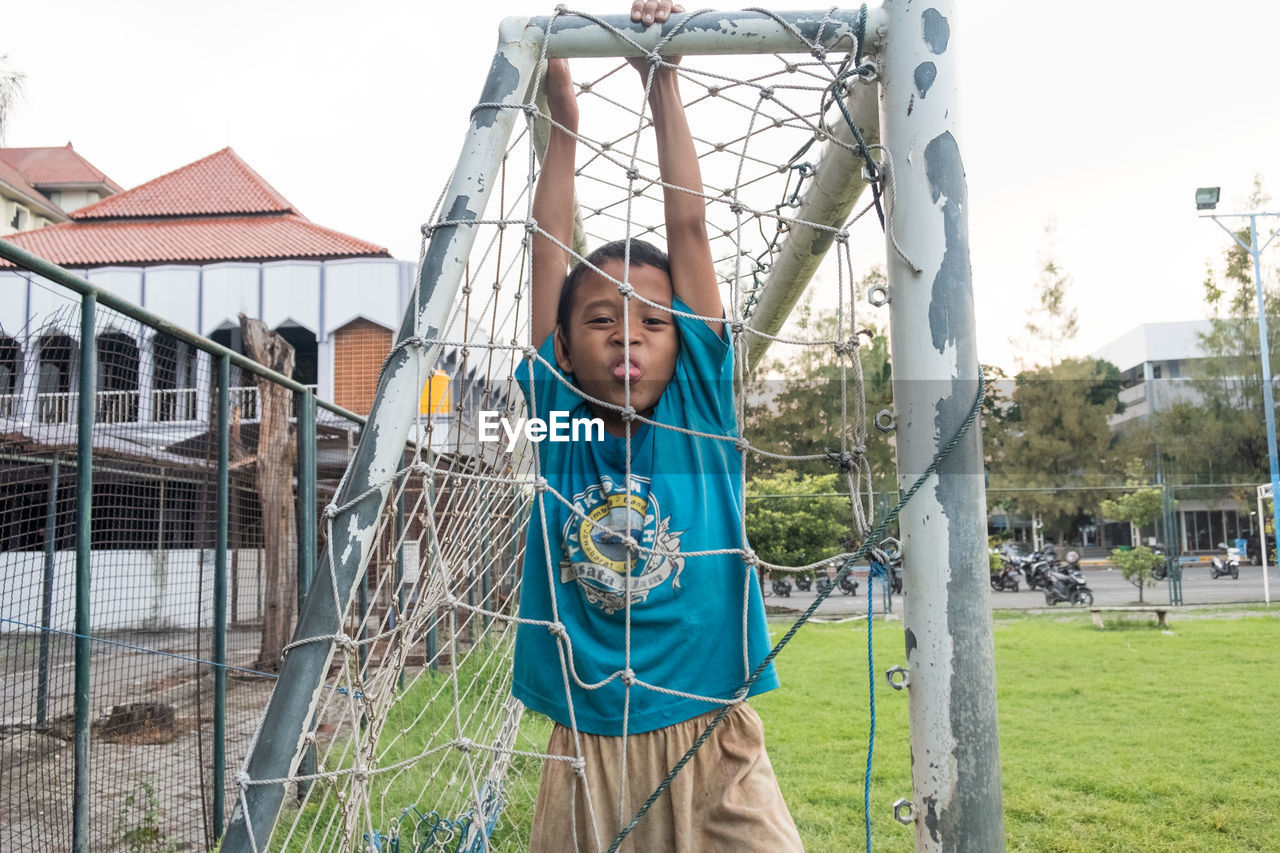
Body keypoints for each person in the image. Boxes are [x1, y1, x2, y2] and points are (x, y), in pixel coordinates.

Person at [514, 2, 802, 850]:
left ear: (685, 343)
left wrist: (661, 79)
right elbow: (544, 247)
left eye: (651, 320)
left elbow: (688, 228)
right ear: (564, 345)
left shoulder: (701, 417)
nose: (627, 335)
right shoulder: (557, 425)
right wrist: (563, 124)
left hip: (712, 730)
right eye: (602, 319)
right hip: (587, 743)